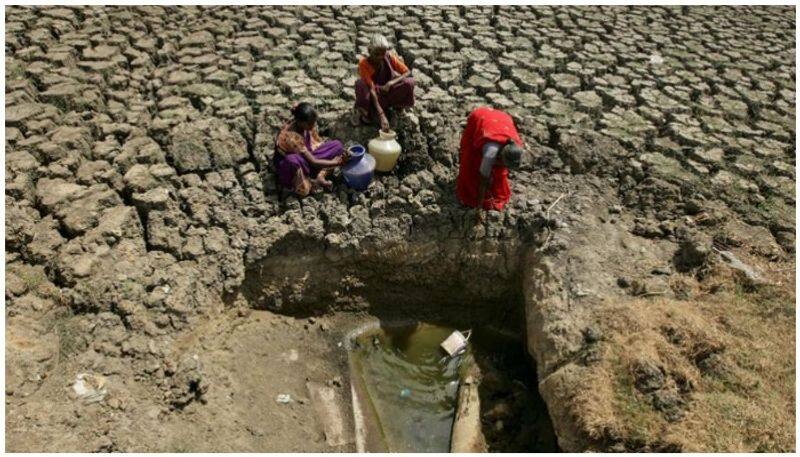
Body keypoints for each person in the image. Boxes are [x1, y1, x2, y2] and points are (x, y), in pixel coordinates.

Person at [456, 106, 525, 223]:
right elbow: (483, 180)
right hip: (480, 117)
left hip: (502, 120)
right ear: (501, 156)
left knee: (498, 173)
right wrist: (478, 208)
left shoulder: (516, 146)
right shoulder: (490, 153)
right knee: (470, 161)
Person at [273, 102, 347, 197]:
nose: (313, 126)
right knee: (293, 161)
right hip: (293, 166)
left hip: (307, 156)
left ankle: (319, 176)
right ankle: (311, 181)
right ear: (300, 122)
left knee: (337, 145)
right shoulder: (291, 138)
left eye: (314, 122)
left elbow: (312, 152)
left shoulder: (301, 121)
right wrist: (337, 163)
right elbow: (314, 162)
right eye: (310, 124)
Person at [354, 33, 415, 131]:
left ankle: (395, 106)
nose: (380, 57)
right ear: (370, 51)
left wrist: (391, 83)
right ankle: (369, 112)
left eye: (382, 54)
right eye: (376, 54)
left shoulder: (389, 57)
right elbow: (372, 89)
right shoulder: (364, 64)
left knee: (409, 83)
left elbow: (407, 72)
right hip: (374, 95)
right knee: (360, 84)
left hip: (388, 91)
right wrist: (382, 115)